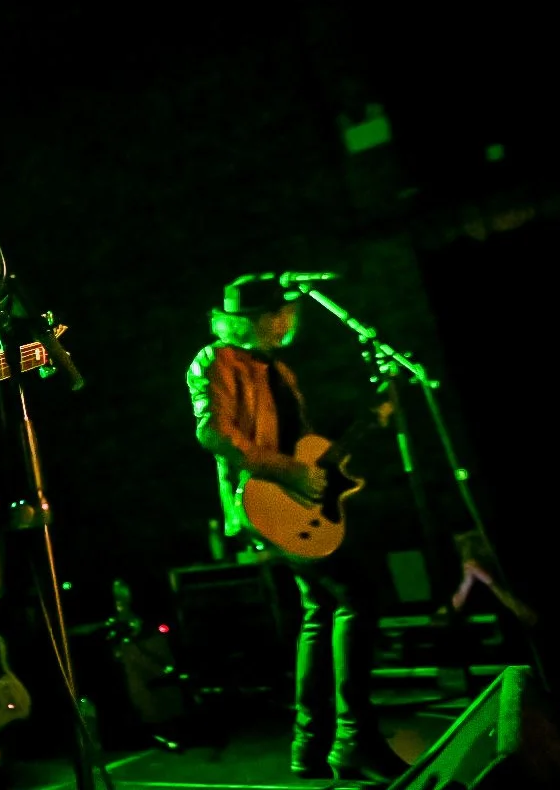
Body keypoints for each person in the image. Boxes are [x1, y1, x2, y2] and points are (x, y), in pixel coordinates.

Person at [185, 273, 408, 784]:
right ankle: (354, 738)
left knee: (321, 609)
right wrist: (288, 471)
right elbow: (213, 433)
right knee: (357, 596)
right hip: (260, 499)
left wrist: (370, 421)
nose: (288, 319)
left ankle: (311, 745)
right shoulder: (216, 360)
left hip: (289, 501)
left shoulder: (279, 370)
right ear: (257, 319)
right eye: (279, 312)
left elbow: (302, 447)